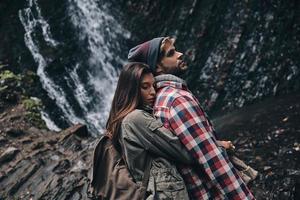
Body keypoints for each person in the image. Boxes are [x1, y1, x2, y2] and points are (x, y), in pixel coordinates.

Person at [128, 37, 256, 199]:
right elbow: (212, 159)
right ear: (158, 67)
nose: (180, 54)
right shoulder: (176, 100)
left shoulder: (158, 101)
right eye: (171, 53)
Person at [105, 62, 193, 199]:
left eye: (154, 86)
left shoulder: (124, 120)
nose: (153, 92)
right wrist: (216, 145)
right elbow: (182, 151)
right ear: (130, 90)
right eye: (145, 87)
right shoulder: (136, 119)